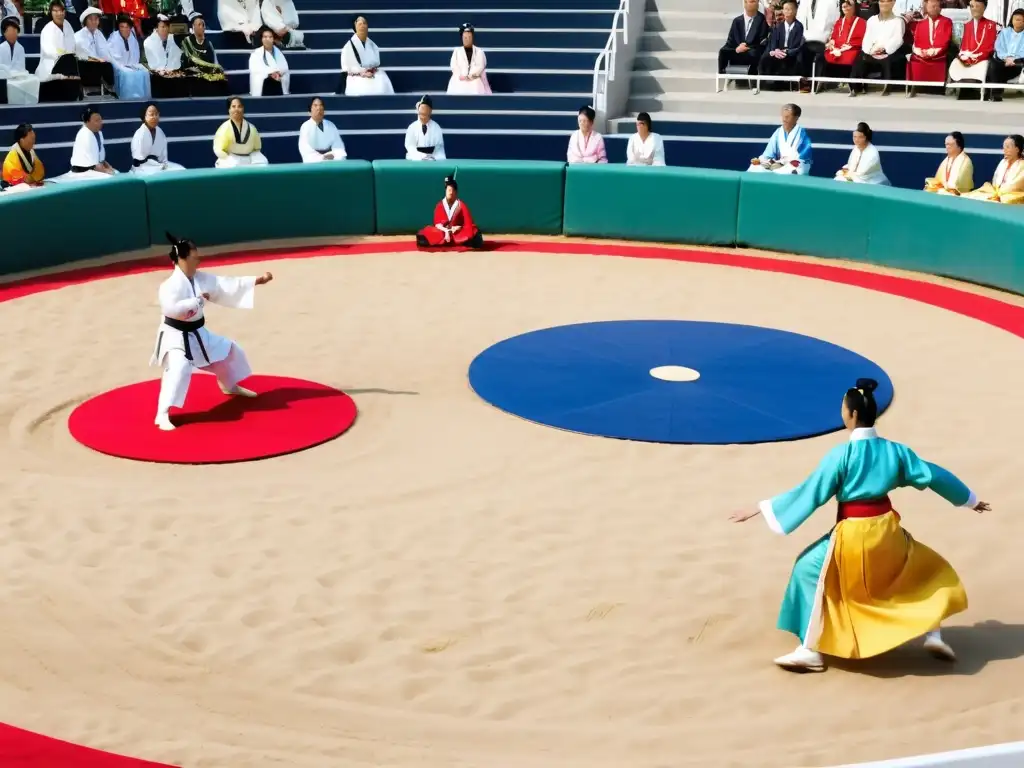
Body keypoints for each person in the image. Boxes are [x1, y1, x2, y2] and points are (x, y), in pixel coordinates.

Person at [729, 378, 989, 673]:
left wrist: (762, 508)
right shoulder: (895, 451)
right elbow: (933, 475)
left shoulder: (842, 455)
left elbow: (811, 492)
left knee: (808, 571)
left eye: (843, 407)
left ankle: (809, 649)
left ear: (851, 415)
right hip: (886, 529)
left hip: (853, 532)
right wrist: (969, 499)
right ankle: (933, 633)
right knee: (920, 570)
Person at [151, 233, 274, 431]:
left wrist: (257, 281)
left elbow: (226, 285)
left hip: (198, 332)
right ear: (182, 259)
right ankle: (162, 413)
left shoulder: (201, 279)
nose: (198, 261)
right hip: (175, 336)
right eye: (195, 257)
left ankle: (229, 386)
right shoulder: (169, 286)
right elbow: (172, 310)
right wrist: (197, 301)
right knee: (179, 367)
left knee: (229, 351)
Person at [849, 0, 907, 95]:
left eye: (887, 1)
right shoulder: (872, 20)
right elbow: (867, 38)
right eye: (882, 1)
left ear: (893, 3)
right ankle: (855, 87)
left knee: (888, 59)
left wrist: (884, 49)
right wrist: (869, 50)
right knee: (860, 57)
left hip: (888, 52)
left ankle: (887, 86)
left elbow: (898, 40)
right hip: (872, 51)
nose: (884, 4)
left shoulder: (898, 21)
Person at [416, 175, 484, 250]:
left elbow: (468, 222)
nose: (450, 193)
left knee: (474, 236)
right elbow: (437, 223)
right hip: (442, 232)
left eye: (452, 190)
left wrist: (459, 227)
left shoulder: (461, 205)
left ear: (456, 192)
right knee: (427, 235)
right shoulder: (440, 205)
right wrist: (446, 231)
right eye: (449, 190)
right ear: (445, 191)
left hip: (457, 232)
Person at [948, 0, 997, 97]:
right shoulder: (966, 25)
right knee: (956, 61)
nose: (974, 9)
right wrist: (964, 54)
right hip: (967, 56)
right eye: (972, 6)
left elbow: (990, 46)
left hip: (981, 57)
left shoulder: (991, 25)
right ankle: (963, 88)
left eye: (977, 6)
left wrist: (976, 56)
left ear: (984, 8)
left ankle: (975, 90)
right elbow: (963, 45)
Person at [814, 0, 865, 92]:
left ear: (854, 8)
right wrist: (831, 43)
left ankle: (854, 86)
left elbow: (860, 39)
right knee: (821, 56)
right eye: (844, 6)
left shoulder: (861, 22)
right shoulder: (839, 21)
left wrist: (846, 47)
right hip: (837, 47)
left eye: (849, 5)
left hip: (851, 48)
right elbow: (834, 36)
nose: (845, 7)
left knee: (851, 57)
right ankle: (817, 84)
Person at [747, 102, 812, 174]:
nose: (784, 119)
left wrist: (784, 164)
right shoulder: (778, 133)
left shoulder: (802, 136)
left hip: (794, 166)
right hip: (778, 165)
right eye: (783, 116)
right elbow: (768, 155)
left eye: (787, 117)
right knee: (754, 167)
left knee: (795, 170)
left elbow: (804, 161)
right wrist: (760, 160)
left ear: (796, 118)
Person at [55, 106, 116, 181]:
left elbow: (101, 159)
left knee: (115, 172)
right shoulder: (85, 135)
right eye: (97, 120)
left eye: (100, 119)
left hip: (94, 168)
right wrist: (107, 171)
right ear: (87, 122)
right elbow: (94, 165)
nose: (101, 122)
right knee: (110, 177)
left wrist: (109, 167)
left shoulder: (99, 133)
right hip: (83, 172)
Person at [756, 0, 805, 93]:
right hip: (779, 52)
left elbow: (797, 45)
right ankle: (764, 84)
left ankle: (787, 84)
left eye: (789, 9)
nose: (786, 12)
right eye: (785, 9)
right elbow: (774, 40)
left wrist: (786, 51)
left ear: (795, 11)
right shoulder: (778, 26)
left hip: (790, 53)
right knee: (765, 57)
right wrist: (775, 50)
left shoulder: (799, 26)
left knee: (793, 59)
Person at [905, 0, 952, 96]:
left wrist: (932, 52)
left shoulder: (946, 22)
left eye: (936, 6)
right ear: (926, 8)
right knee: (914, 57)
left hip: (938, 53)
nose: (933, 9)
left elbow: (945, 40)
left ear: (940, 8)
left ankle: (937, 89)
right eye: (931, 6)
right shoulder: (921, 23)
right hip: (923, 53)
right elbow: (916, 42)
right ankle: (915, 87)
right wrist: (920, 52)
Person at [36, 0, 80, 102]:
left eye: (61, 11)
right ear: (51, 12)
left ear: (65, 12)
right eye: (55, 11)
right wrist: (63, 55)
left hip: (68, 64)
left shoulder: (68, 26)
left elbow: (73, 45)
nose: (59, 14)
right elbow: (49, 51)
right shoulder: (47, 29)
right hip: (51, 66)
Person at [340, 14, 394, 95]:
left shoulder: (372, 44)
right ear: (355, 27)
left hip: (372, 73)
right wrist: (362, 72)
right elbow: (346, 68)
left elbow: (376, 62)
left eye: (364, 23)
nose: (363, 26)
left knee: (382, 80)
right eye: (359, 24)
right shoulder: (348, 47)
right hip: (356, 76)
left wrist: (371, 71)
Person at [719, 0, 771, 84]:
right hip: (737, 49)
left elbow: (763, 41)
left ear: (757, 4)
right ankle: (724, 74)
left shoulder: (761, 20)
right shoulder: (737, 21)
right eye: (748, 1)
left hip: (751, 49)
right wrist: (737, 48)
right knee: (723, 51)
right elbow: (731, 39)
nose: (750, 4)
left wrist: (746, 46)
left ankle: (752, 78)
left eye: (753, 1)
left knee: (754, 53)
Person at [180, 12, 230, 97]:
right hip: (193, 75)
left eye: (203, 25)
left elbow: (215, 62)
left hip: (207, 74)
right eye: (199, 25)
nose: (201, 27)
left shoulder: (208, 43)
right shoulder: (187, 41)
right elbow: (187, 62)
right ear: (193, 27)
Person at [963, 134, 1024, 203]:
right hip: (997, 193)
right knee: (975, 196)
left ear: (1017, 149)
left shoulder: (1022, 165)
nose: (1004, 150)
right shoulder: (1003, 162)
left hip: (1012, 195)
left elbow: (1014, 186)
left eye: (1008, 147)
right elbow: (995, 181)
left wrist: (999, 195)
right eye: (1004, 147)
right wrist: (996, 193)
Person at [131, 102, 185, 175]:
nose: (154, 117)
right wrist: (156, 165)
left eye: (156, 114)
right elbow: (138, 159)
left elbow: (163, 156)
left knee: (181, 169)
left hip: (158, 165)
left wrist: (164, 165)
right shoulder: (139, 133)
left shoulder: (160, 132)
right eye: (151, 115)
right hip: (142, 167)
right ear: (144, 117)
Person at [213, 96, 269, 168]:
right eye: (233, 106)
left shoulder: (252, 128)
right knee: (226, 165)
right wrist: (228, 159)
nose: (236, 109)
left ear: (243, 109)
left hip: (249, 157)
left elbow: (257, 147)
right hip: (231, 157)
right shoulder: (224, 128)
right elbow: (218, 149)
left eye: (239, 106)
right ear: (229, 110)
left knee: (263, 162)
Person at [797, 0, 841, 87]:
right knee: (801, 52)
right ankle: (804, 82)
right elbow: (799, 18)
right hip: (806, 38)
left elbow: (836, 21)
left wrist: (831, 39)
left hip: (824, 39)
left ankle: (817, 83)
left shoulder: (833, 2)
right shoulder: (803, 1)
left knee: (821, 55)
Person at [106, 14, 151, 100]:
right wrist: (126, 68)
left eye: (127, 27)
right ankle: (127, 98)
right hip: (118, 66)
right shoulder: (114, 39)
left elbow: (136, 54)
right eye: (122, 26)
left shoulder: (132, 37)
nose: (124, 29)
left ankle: (144, 98)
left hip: (132, 64)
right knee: (128, 74)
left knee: (144, 72)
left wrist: (133, 66)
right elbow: (114, 59)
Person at [145, 14, 188, 99]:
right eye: (163, 27)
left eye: (167, 27)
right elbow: (153, 64)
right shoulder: (148, 42)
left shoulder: (174, 38)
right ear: (156, 28)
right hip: (157, 77)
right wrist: (161, 70)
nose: (166, 29)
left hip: (174, 76)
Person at [74, 7, 114, 98]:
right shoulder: (79, 36)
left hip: (99, 65)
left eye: (96, 19)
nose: (94, 22)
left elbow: (105, 50)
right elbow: (85, 55)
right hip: (85, 67)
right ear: (85, 21)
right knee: (106, 67)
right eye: (91, 19)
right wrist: (100, 60)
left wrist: (110, 60)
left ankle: (109, 89)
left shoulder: (98, 33)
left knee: (111, 66)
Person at [0, 17, 40, 104]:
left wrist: (15, 74)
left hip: (18, 76)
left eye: (15, 31)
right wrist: (8, 73)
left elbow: (21, 67)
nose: (13, 33)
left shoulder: (20, 48)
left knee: (33, 80)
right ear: (4, 33)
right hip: (3, 78)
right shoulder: (1, 48)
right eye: (10, 31)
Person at [989, 9, 1024, 102]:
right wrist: (1006, 59)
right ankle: (995, 94)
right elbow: (998, 47)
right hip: (1003, 60)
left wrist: (1014, 59)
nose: (1019, 22)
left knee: (1005, 70)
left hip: (1018, 62)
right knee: (994, 64)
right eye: (1017, 19)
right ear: (1012, 20)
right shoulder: (1004, 32)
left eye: (1022, 20)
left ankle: (995, 92)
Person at [298, 96, 347, 162]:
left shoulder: (331, 125)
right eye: (315, 106)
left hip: (332, 162)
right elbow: (305, 149)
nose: (319, 108)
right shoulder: (305, 127)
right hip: (314, 164)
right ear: (309, 112)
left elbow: (339, 146)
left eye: (321, 105)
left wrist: (335, 155)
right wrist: (322, 158)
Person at [447, 22, 491, 94]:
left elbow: (480, 66)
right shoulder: (456, 51)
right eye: (465, 37)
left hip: (474, 79)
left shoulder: (479, 51)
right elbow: (454, 66)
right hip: (460, 79)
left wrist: (470, 76)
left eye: (469, 37)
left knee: (476, 84)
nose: (467, 39)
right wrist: (461, 76)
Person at [1, 123, 45, 192]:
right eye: (31, 139)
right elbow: (20, 178)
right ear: (22, 140)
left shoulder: (31, 152)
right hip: (11, 190)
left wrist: (33, 178)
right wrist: (31, 178)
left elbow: (40, 172)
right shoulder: (13, 155)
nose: (33, 142)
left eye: (34, 139)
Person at [248, 24, 289, 96]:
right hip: (265, 83)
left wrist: (278, 73)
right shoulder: (256, 53)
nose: (268, 39)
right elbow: (254, 70)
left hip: (278, 80)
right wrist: (270, 73)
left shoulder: (279, 52)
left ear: (273, 39)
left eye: (270, 37)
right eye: (265, 37)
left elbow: (285, 67)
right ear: (261, 39)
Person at [404, 94, 446, 161]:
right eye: (420, 114)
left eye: (425, 115)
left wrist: (432, 157)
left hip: (432, 161)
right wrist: (421, 156)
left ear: (430, 113)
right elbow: (410, 146)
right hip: (415, 160)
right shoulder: (412, 128)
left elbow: (439, 148)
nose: (422, 117)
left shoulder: (436, 128)